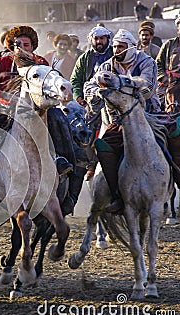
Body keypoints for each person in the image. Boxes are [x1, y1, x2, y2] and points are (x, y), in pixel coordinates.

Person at [0, 25, 77, 214]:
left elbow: (52, 85)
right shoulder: (1, 63)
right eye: (17, 44)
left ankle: (62, 159)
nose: (21, 47)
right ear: (12, 46)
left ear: (32, 46)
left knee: (59, 119)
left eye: (25, 44)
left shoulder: (41, 64)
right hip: (4, 107)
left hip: (36, 111)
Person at [84, 29, 161, 214]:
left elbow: (147, 86)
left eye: (121, 47)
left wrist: (120, 82)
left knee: (171, 139)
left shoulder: (146, 61)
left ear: (131, 47)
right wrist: (95, 93)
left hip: (147, 116)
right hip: (116, 120)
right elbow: (90, 84)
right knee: (102, 147)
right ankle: (117, 195)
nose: (117, 50)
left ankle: (166, 189)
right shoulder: (107, 66)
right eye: (116, 46)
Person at [70, 26, 113, 180]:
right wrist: (78, 96)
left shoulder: (116, 55)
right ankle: (91, 164)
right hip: (91, 102)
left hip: (113, 101)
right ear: (91, 40)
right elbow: (75, 80)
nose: (99, 41)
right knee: (84, 133)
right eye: (96, 38)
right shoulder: (85, 58)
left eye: (102, 38)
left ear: (107, 39)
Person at [156, 17, 180, 107]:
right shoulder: (168, 45)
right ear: (178, 30)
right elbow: (157, 63)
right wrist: (163, 78)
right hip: (169, 83)